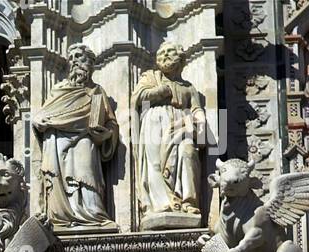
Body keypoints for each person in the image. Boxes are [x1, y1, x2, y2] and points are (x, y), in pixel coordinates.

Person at [34, 44, 118, 230]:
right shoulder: (59, 90)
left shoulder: (97, 92)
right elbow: (42, 116)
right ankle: (62, 217)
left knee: (86, 172)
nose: (74, 61)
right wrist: (44, 122)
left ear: (90, 62)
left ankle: (93, 215)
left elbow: (111, 122)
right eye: (71, 57)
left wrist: (107, 134)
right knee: (60, 179)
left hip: (85, 140)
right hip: (58, 141)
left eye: (79, 56)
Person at [133, 43, 205, 228]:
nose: (165, 56)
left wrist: (200, 122)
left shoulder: (188, 87)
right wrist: (159, 92)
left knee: (188, 153)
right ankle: (161, 205)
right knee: (155, 164)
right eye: (161, 53)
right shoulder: (150, 78)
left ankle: (187, 202)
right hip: (153, 125)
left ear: (180, 59)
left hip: (181, 127)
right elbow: (138, 98)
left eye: (170, 53)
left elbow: (196, 109)